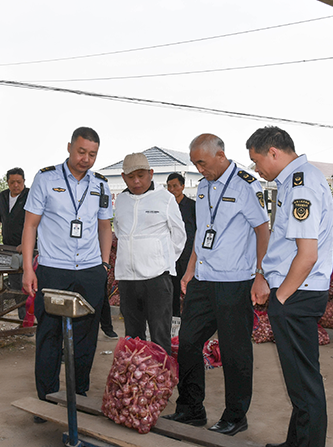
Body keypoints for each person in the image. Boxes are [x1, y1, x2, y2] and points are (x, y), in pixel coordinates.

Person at [163, 133, 270, 437]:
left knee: (235, 352)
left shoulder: (247, 185)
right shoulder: (205, 187)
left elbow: (263, 231)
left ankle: (235, 415)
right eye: (195, 163)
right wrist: (189, 271)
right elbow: (202, 233)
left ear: (220, 156)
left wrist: (261, 274)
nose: (199, 169)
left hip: (235, 282)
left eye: (203, 162)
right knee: (187, 342)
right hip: (203, 280)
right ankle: (191, 408)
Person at [246, 126, 333, 447]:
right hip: (295, 291)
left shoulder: (301, 185)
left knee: (305, 383)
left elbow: (307, 254)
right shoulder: (296, 180)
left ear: (273, 152)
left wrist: (281, 297)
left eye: (256, 160)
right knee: (298, 380)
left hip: (297, 293)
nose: (256, 168)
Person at [22, 127, 113, 419]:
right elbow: (30, 226)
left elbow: (104, 227)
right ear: (69, 147)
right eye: (81, 152)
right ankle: (47, 399)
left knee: (86, 338)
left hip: (89, 271)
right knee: (50, 334)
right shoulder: (46, 179)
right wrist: (28, 268)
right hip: (54, 270)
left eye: (92, 154)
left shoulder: (101, 185)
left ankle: (79, 395)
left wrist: (104, 266)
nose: (86, 159)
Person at [114, 153, 186, 353]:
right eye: (130, 177)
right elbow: (120, 232)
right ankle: (138, 379)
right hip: (127, 278)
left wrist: (161, 261)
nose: (136, 181)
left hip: (157, 279)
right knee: (133, 335)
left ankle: (161, 379)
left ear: (151, 174)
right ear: (123, 177)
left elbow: (179, 236)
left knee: (159, 333)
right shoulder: (121, 201)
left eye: (141, 175)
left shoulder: (165, 199)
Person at [0, 167, 30, 320]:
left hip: (28, 248)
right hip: (8, 246)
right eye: (12, 182)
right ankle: (23, 319)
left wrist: (25, 243)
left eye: (19, 182)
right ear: (7, 182)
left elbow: (34, 222)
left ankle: (27, 321)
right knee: (15, 283)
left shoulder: (30, 196)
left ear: (24, 181)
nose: (16, 185)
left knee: (27, 284)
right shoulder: (3, 196)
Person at [166, 172, 196, 317]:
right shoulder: (165, 206)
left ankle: (191, 318)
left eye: (175, 186)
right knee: (172, 290)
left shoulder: (192, 206)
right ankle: (174, 319)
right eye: (169, 186)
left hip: (188, 256)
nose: (172, 189)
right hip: (171, 255)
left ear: (183, 186)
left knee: (189, 291)